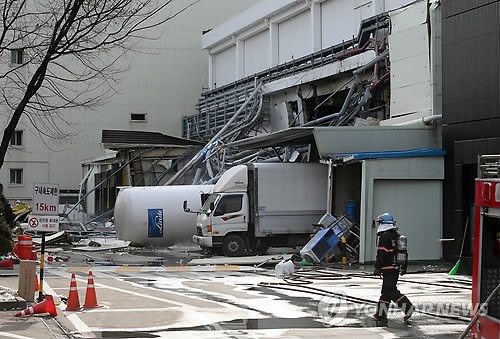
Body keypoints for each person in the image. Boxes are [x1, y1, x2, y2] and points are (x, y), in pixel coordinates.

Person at [373, 212, 414, 322]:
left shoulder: (384, 236)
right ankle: (381, 314)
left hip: (388, 268)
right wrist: (403, 268)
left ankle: (408, 307)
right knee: (385, 291)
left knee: (390, 290)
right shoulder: (397, 235)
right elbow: (404, 252)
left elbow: (382, 253)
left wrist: (377, 267)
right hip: (396, 268)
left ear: (382, 223)